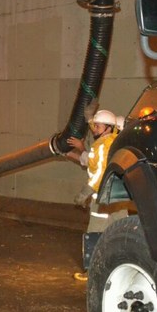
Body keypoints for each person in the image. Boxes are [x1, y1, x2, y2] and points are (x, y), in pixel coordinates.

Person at [66, 109, 123, 280]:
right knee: (119, 232)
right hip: (118, 197)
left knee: (95, 232)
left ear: (108, 127)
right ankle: (119, 269)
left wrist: (85, 193)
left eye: (97, 126)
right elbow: (91, 162)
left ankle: (92, 273)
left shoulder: (102, 145)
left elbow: (99, 174)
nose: (94, 129)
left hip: (102, 197)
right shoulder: (115, 142)